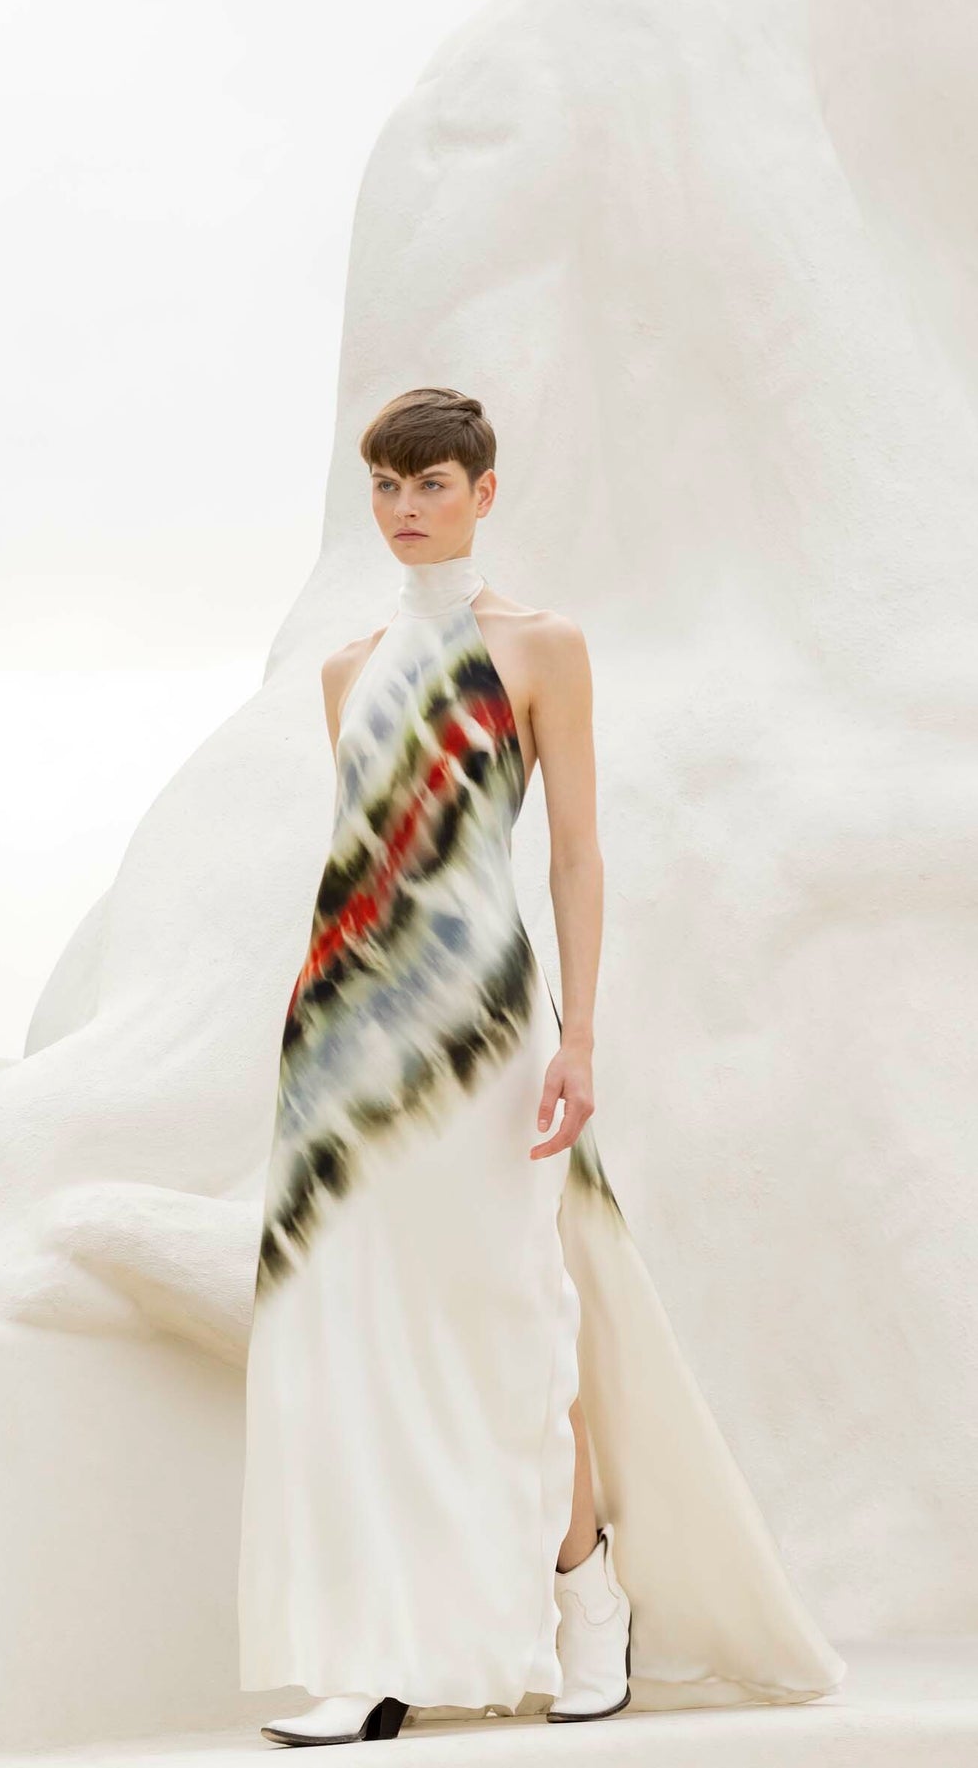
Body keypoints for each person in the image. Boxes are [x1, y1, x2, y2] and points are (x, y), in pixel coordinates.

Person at [237, 386, 845, 1745]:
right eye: (387, 487)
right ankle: (373, 1645)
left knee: (513, 1311)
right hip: (346, 1033)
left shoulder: (542, 649)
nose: (406, 509)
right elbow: (365, 869)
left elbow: (570, 850)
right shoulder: (345, 670)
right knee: (364, 1339)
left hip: (487, 1024)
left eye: (433, 484)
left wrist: (580, 1030)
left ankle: (586, 1604)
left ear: (485, 489)